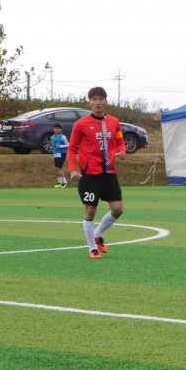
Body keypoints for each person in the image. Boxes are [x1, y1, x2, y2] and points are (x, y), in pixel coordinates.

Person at [67, 86, 127, 259]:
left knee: (118, 209)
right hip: (90, 175)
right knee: (90, 211)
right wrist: (72, 169)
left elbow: (120, 142)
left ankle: (97, 234)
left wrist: (122, 152)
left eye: (101, 99)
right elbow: (72, 148)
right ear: (90, 103)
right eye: (94, 99)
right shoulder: (81, 124)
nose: (98, 102)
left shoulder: (114, 122)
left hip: (109, 173)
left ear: (106, 102)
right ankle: (92, 248)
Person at [49, 124, 69, 188]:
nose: (56, 129)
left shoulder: (63, 137)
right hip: (56, 153)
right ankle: (60, 182)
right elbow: (54, 145)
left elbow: (68, 145)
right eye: (55, 128)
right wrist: (52, 147)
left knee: (57, 168)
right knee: (57, 168)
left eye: (58, 128)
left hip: (62, 153)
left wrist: (60, 146)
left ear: (60, 129)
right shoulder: (52, 137)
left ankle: (64, 182)